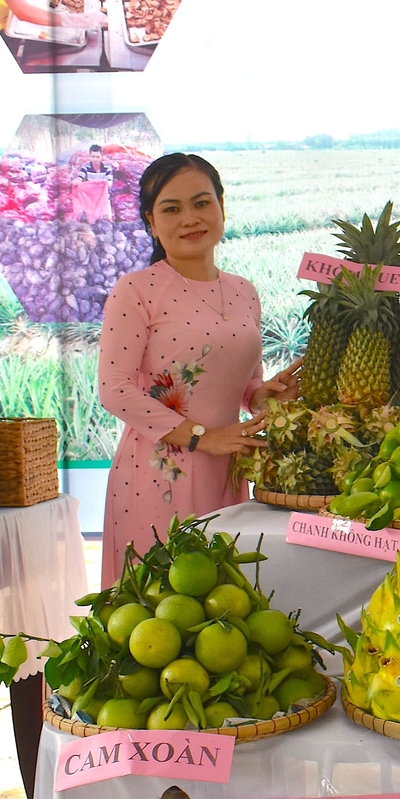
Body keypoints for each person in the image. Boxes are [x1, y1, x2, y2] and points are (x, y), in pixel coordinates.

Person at [96, 153, 300, 586]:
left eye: (202, 202)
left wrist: (266, 395)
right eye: (171, 209)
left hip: (226, 469)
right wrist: (203, 438)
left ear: (221, 207)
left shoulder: (243, 291)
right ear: (151, 222)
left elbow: (245, 384)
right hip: (158, 474)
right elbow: (114, 390)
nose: (190, 218)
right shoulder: (135, 290)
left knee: (222, 614)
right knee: (155, 617)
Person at [68, 142, 115, 222]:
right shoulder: (85, 167)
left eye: (97, 157)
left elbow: (109, 184)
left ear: (101, 157)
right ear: (89, 157)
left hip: (103, 200)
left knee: (106, 221)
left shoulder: (107, 167)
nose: (95, 159)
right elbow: (80, 178)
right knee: (90, 222)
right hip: (89, 200)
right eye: (93, 156)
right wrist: (75, 182)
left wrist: (102, 184)